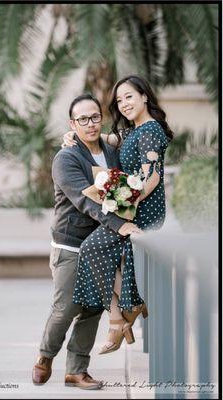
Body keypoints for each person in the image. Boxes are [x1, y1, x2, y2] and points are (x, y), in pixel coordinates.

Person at [32, 94, 142, 390]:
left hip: (101, 244)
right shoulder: (66, 158)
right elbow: (86, 201)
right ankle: (45, 355)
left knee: (91, 307)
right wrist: (121, 226)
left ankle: (76, 371)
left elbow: (134, 138)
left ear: (101, 118)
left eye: (95, 117)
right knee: (66, 307)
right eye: (82, 119)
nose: (90, 124)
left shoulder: (110, 150)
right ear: (72, 123)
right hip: (71, 243)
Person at [63, 75, 173, 354]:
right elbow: (101, 137)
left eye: (129, 96)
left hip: (142, 211)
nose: (124, 104)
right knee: (95, 252)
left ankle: (120, 317)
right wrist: (72, 135)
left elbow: (152, 179)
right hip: (131, 210)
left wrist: (123, 201)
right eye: (119, 100)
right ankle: (122, 316)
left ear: (144, 96)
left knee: (90, 249)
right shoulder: (132, 131)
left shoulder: (149, 130)